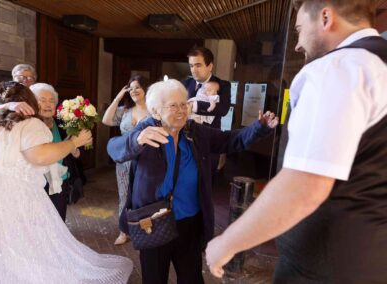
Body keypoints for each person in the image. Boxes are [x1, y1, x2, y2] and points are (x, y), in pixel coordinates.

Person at [205, 1, 387, 283]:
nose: (299, 45)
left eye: (300, 30)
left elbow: (305, 186)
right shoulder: (378, 65)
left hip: (325, 269)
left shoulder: (337, 68)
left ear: (326, 17)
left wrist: (227, 242)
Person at [107, 79, 278, 284]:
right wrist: (135, 140)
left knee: (192, 279)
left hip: (189, 223)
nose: (181, 110)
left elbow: (230, 140)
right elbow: (114, 148)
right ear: (155, 110)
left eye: (184, 104)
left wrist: (259, 127)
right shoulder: (147, 130)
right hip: (153, 222)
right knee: (154, 279)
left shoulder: (194, 132)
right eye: (173, 105)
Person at [0, 81, 133, 283]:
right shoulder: (30, 123)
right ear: (30, 102)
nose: (45, 105)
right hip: (17, 194)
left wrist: (5, 106)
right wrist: (74, 142)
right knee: (30, 243)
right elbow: (39, 156)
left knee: (1, 245)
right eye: (39, 100)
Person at [102, 75, 148, 245]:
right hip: (124, 160)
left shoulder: (154, 110)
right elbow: (106, 120)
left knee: (142, 194)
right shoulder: (125, 110)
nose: (134, 90)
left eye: (137, 87)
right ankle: (124, 230)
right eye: (131, 88)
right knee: (123, 194)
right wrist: (118, 97)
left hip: (145, 159)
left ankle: (142, 227)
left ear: (145, 89)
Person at [30, 83, 83, 221]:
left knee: (59, 220)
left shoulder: (63, 123)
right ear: (33, 103)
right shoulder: (29, 126)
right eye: (42, 100)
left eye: (52, 101)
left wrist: (76, 150)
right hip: (37, 184)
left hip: (60, 181)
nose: (48, 104)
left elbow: (76, 152)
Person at [183, 46, 232, 180]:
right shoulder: (185, 83)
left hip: (208, 143)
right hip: (184, 142)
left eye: (198, 65)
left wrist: (194, 105)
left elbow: (222, 109)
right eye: (191, 65)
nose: (193, 69)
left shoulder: (222, 85)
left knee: (205, 184)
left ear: (210, 66)